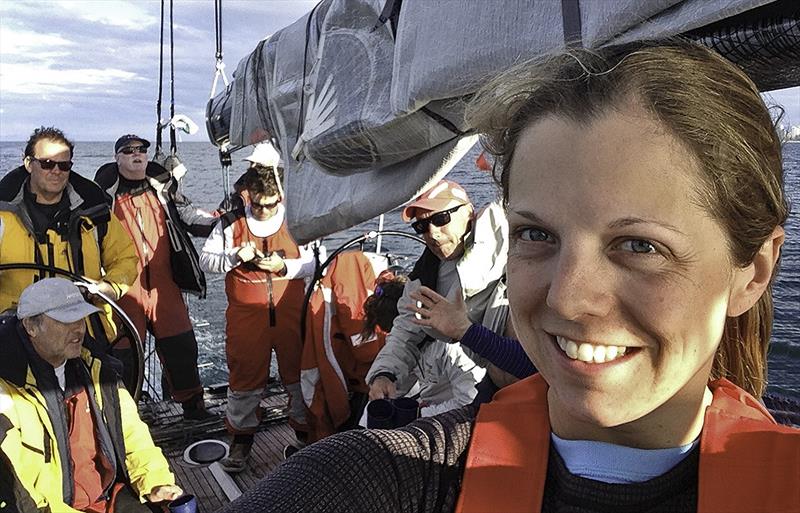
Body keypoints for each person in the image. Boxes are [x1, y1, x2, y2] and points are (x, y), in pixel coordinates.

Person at [216, 40, 799, 513]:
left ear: (753, 273)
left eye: (639, 245)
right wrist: (391, 372)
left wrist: (463, 330)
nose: (569, 298)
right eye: (538, 235)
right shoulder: (385, 479)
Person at [0, 278, 182, 512]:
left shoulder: (96, 367)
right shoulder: (7, 392)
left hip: (108, 496)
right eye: (65, 320)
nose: (79, 328)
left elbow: (131, 433)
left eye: (80, 318)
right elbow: (21, 493)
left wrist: (156, 482)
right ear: (31, 326)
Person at [199, 143, 318, 472]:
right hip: (246, 318)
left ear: (280, 197)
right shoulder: (231, 221)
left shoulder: (298, 218)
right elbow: (205, 259)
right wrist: (235, 256)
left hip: (291, 312)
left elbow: (315, 262)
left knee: (299, 376)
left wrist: (282, 266)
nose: (263, 211)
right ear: (247, 195)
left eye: (270, 204)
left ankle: (305, 434)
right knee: (244, 380)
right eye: (258, 204)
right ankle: (241, 439)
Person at [94, 135, 216, 420]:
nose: (137, 154)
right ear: (117, 158)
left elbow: (189, 215)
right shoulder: (102, 196)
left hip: (165, 284)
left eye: (142, 150)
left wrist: (222, 220)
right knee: (124, 355)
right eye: (128, 150)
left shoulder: (163, 188)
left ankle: (193, 407)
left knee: (182, 346)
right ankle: (125, 417)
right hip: (124, 288)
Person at [365, 179, 508, 406]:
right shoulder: (424, 278)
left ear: (469, 212)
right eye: (422, 226)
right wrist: (384, 374)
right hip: (467, 383)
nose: (432, 233)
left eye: (441, 219)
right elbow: (406, 331)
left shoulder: (507, 242)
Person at [0, 126, 138, 339]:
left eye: (64, 165)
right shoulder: (2, 214)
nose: (56, 171)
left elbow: (125, 258)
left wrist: (108, 288)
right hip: (18, 337)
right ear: (28, 164)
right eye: (47, 164)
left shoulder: (95, 211)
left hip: (85, 335)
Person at [359, 272, 486, 424]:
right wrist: (383, 380)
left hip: (453, 424)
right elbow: (399, 385)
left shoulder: (454, 350)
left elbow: (470, 401)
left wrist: (420, 414)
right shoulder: (408, 349)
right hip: (427, 413)